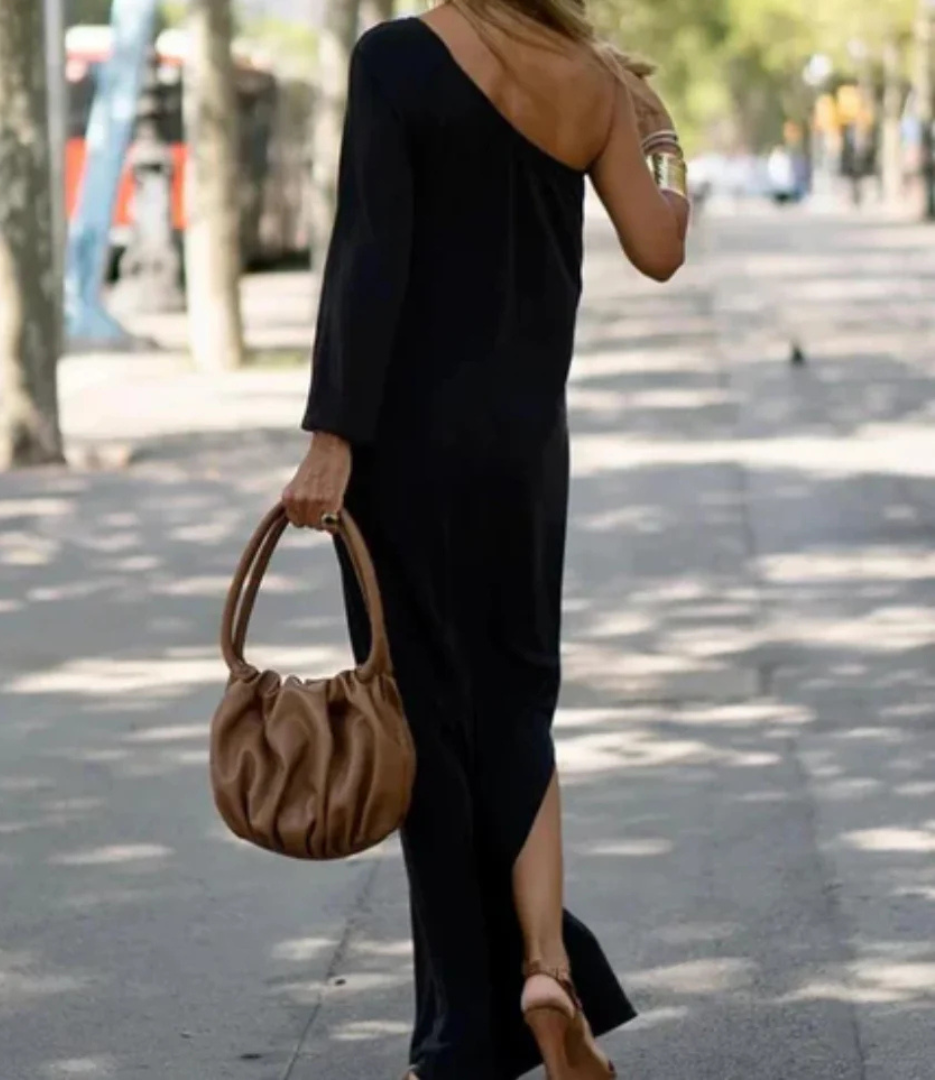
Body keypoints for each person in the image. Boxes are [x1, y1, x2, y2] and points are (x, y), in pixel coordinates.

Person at [282, 1, 689, 1077]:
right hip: (522, 451)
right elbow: (661, 245)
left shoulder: (397, 59)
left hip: (402, 452)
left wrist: (332, 438)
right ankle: (546, 965)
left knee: (423, 721)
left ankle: (461, 1032)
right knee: (519, 704)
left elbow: (369, 255)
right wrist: (658, 131)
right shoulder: (596, 83)